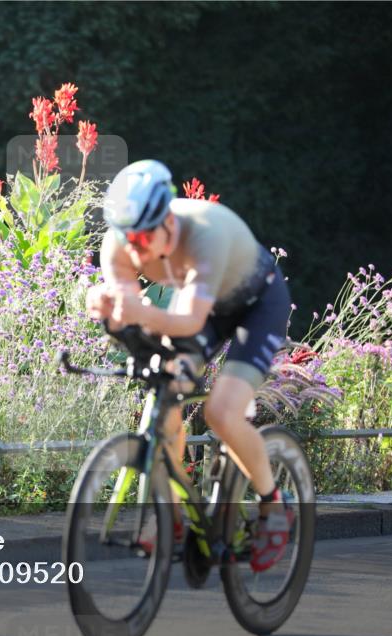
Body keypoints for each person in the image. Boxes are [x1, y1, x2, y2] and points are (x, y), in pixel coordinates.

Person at [85, 159, 293, 572]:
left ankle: (274, 503)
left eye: (145, 238)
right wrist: (106, 311)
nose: (136, 250)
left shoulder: (204, 234)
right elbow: (131, 313)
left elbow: (190, 322)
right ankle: (174, 515)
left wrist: (135, 313)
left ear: (168, 223)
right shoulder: (120, 246)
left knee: (221, 412)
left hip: (256, 305)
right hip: (199, 301)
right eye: (129, 240)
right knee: (164, 397)